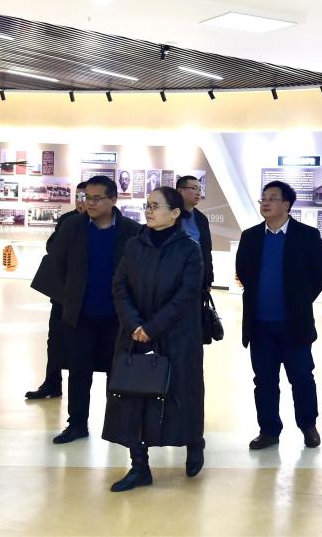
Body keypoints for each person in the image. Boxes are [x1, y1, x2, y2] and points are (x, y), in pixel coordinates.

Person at [102, 186, 206, 491]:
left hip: (177, 338)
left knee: (181, 395)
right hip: (135, 336)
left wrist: (153, 327)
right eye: (147, 205)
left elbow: (186, 295)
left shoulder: (189, 249)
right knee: (132, 397)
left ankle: (193, 441)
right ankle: (139, 466)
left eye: (156, 206)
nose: (148, 210)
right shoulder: (135, 245)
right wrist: (135, 325)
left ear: (175, 214)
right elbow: (120, 286)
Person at [235, 180, 322, 450]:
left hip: (294, 325)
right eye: (263, 198)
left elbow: (320, 273)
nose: (265, 202)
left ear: (287, 204)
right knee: (264, 380)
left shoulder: (307, 236)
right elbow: (243, 271)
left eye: (272, 198)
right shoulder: (251, 236)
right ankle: (269, 430)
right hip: (259, 325)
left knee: (302, 378)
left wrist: (300, 300)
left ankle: (308, 425)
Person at [48, 176, 142, 444]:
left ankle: (117, 426)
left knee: (117, 374)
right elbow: (57, 263)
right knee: (79, 372)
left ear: (113, 200)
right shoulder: (72, 226)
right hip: (80, 315)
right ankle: (77, 424)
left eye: (96, 198)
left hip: (117, 318)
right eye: (86, 197)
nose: (89, 203)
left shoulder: (131, 231)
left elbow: (138, 272)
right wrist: (70, 296)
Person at [26, 182, 88, 400]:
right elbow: (52, 247)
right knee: (55, 339)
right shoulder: (68, 220)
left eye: (86, 197)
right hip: (63, 292)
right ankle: (52, 382)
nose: (82, 201)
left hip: (89, 295)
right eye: (79, 196)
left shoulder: (104, 224)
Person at [176, 175, 215, 292]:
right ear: (180, 191)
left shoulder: (201, 219)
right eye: (194, 188)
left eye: (200, 189)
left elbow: (207, 250)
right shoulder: (169, 215)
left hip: (196, 278)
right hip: (172, 276)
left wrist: (208, 279)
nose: (198, 192)